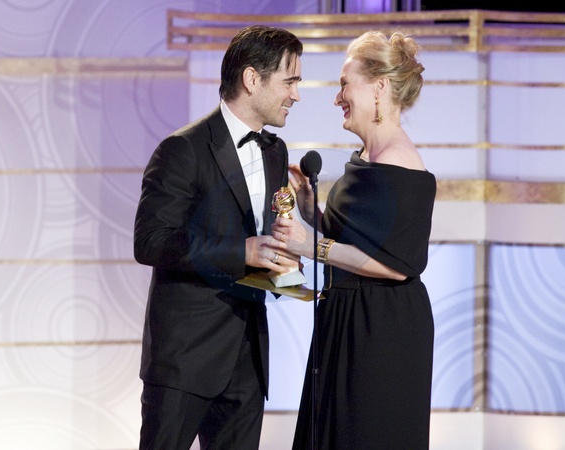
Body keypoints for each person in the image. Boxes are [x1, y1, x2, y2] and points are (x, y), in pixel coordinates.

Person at [133, 25, 303, 450]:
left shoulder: (276, 151)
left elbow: (265, 237)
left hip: (247, 358)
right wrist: (241, 251)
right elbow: (150, 240)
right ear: (251, 79)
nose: (296, 95)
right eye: (289, 82)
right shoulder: (183, 149)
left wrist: (284, 262)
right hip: (185, 357)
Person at [271, 31, 436, 449]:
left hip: (380, 328)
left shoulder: (401, 163)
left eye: (345, 84)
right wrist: (310, 209)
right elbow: (357, 241)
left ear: (379, 87)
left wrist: (311, 245)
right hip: (348, 316)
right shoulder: (367, 157)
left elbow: (397, 265)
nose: (337, 97)